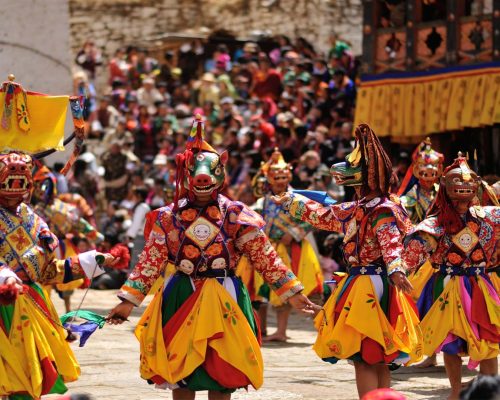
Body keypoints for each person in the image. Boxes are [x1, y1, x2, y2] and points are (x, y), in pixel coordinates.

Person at [107, 115, 315, 399]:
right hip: (181, 292)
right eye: (196, 173)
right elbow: (150, 261)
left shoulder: (236, 214)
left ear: (221, 173)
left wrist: (291, 291)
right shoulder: (168, 217)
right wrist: (127, 302)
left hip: (225, 293)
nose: (203, 179)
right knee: (180, 371)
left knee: (222, 372)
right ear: (186, 174)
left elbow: (264, 254)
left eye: (210, 172)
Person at [274, 124, 422, 398]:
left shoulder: (381, 209)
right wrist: (292, 201)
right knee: (377, 352)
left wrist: (397, 268)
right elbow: (325, 215)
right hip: (372, 280)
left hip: (370, 281)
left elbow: (390, 241)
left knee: (364, 354)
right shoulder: (361, 207)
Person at [0, 152, 113, 399]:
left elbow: (47, 270)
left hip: (32, 300)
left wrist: (92, 261)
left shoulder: (34, 218)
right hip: (4, 302)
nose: (16, 188)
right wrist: (6, 277)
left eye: (22, 182)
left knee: (28, 374)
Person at [402, 154, 499, 400]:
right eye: (457, 180)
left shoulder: (491, 217)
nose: (464, 185)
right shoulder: (435, 223)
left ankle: (490, 393)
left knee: (488, 343)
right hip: (447, 285)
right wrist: (396, 271)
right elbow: (412, 253)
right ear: (446, 184)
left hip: (481, 284)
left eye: (468, 181)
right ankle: (455, 392)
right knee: (450, 342)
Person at [238, 149, 323, 341]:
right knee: (266, 290)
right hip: (269, 248)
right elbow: (253, 217)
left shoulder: (298, 198)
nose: (280, 180)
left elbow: (313, 219)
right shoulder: (264, 201)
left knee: (296, 288)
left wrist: (293, 233)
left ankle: (297, 329)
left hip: (294, 249)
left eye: (284, 176)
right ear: (268, 178)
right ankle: (269, 329)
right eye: (276, 176)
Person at [397, 138, 444, 368]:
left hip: (442, 254)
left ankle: (436, 352)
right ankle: (424, 352)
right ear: (416, 171)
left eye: (433, 170)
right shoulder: (409, 198)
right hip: (418, 254)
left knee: (437, 302)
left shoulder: (444, 194)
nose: (429, 174)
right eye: (424, 170)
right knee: (419, 301)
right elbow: (402, 217)